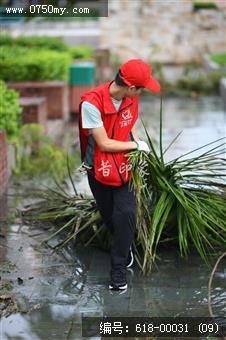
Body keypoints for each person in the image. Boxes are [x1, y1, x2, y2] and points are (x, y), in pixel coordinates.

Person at [79, 59, 160, 291]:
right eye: (141, 88)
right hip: (98, 168)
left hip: (125, 167)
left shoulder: (130, 99)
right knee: (110, 217)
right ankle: (126, 248)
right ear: (131, 87)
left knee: (126, 213)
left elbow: (129, 127)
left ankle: (118, 270)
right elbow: (103, 143)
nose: (142, 92)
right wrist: (135, 147)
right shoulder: (91, 103)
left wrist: (137, 144)